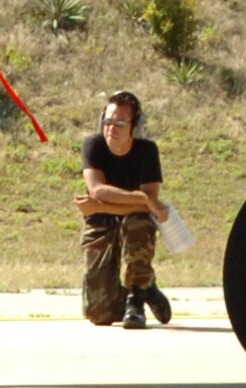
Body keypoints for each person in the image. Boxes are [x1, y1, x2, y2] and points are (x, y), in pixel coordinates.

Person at [74, 90, 174, 330]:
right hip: (101, 222)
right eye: (108, 122)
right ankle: (146, 286)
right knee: (98, 314)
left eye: (120, 123)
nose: (112, 128)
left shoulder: (147, 151)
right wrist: (141, 199)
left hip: (131, 220)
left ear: (135, 126)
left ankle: (136, 299)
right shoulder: (93, 145)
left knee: (139, 222)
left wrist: (103, 204)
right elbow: (98, 190)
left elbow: (149, 206)